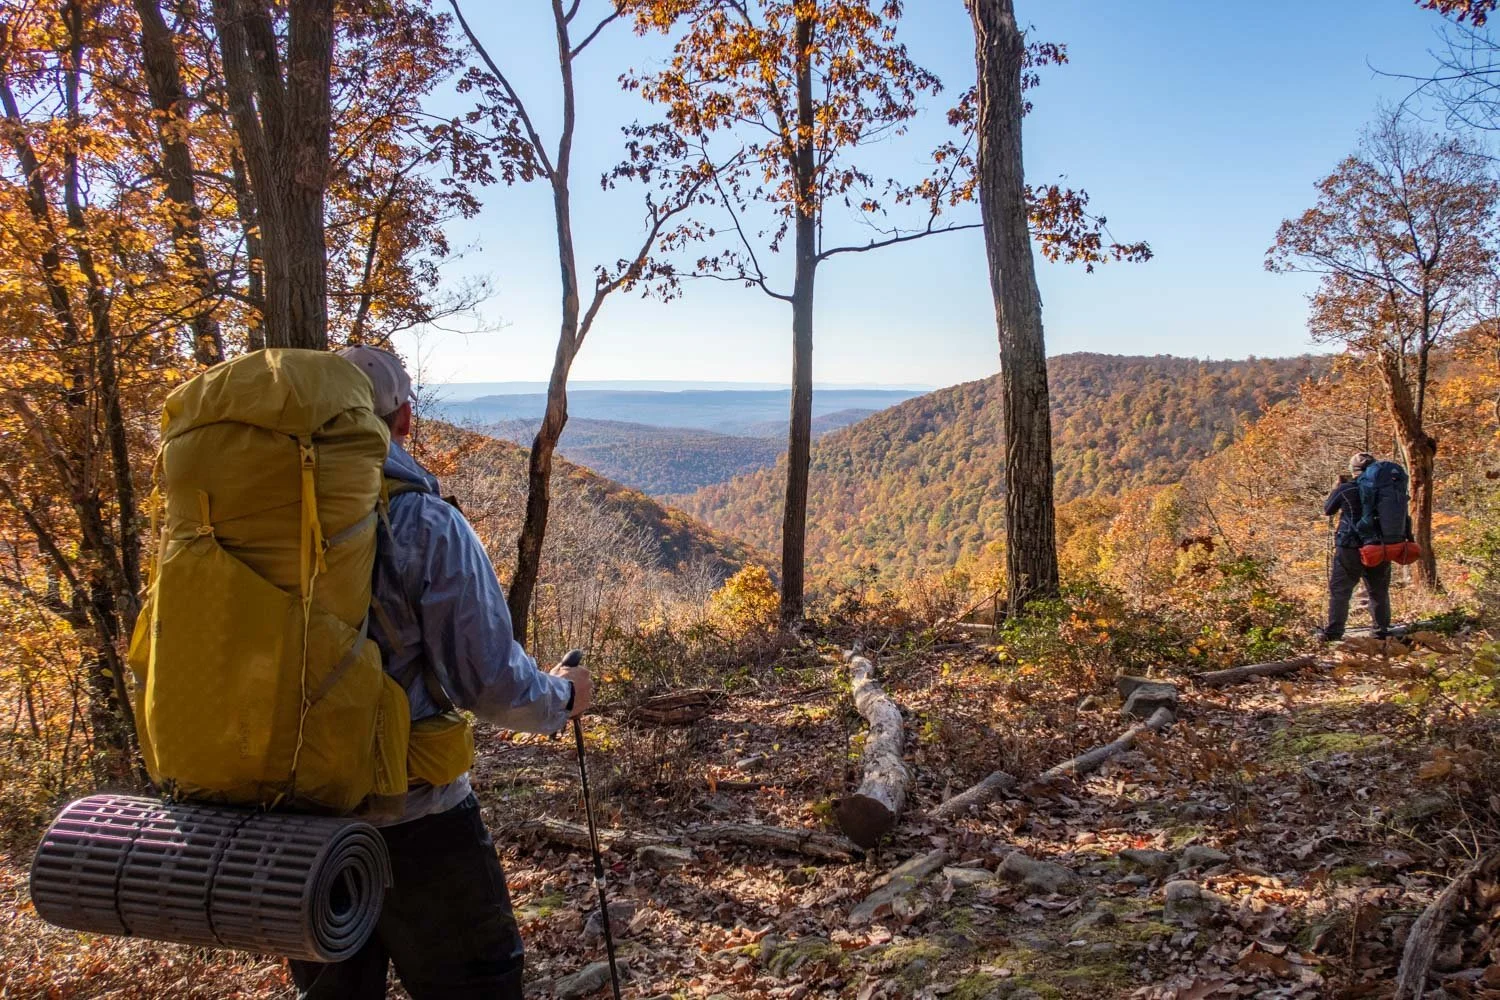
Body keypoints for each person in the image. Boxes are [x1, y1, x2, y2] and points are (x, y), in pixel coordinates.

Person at [289, 345, 594, 1000]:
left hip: (293, 832)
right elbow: (489, 685)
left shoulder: (260, 526)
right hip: (418, 824)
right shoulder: (421, 522)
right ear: (402, 420)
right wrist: (562, 698)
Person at [1318, 451, 1392, 641]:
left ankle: (1334, 633)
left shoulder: (1346, 489)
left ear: (1353, 470)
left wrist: (1337, 488)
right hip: (1379, 546)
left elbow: (1328, 510)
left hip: (1349, 546)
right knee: (1378, 589)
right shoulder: (1386, 489)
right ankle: (1381, 631)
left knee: (1341, 590)